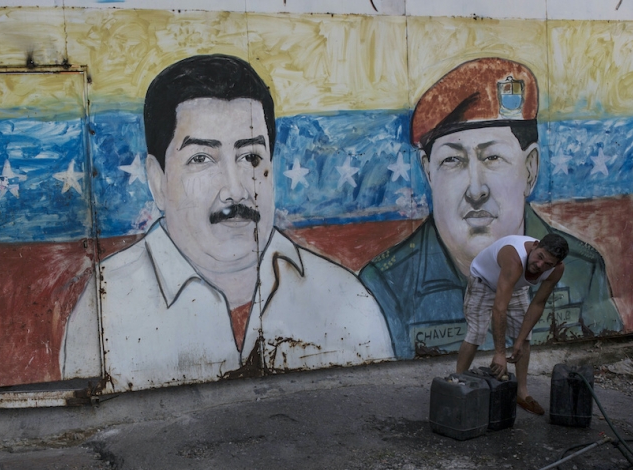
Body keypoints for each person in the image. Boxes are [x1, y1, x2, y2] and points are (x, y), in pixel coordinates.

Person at [60, 54, 392, 388]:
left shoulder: (345, 300)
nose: (234, 191)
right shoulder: (106, 307)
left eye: (250, 157)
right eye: (202, 159)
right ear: (158, 180)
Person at [359, 57, 621, 359]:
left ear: (530, 170)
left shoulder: (582, 270)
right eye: (452, 160)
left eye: (492, 158)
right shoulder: (386, 285)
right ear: (429, 173)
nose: (476, 190)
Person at [456, 233, 568, 415]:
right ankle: (458, 384)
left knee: (524, 339)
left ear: (556, 264)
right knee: (476, 334)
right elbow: (500, 307)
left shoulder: (556, 270)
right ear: (535, 245)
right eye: (539, 257)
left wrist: (518, 341)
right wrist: (500, 353)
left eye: (547, 264)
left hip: (515, 286)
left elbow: (538, 303)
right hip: (483, 282)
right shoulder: (514, 256)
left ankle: (522, 393)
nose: (540, 266)